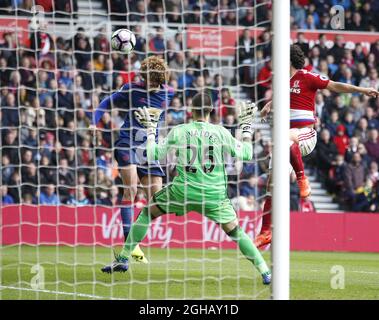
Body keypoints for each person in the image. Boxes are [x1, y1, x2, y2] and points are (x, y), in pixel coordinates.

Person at [101, 93, 272, 285]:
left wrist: (151, 129)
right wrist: (246, 127)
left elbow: (152, 154)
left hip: (183, 192)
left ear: (191, 110)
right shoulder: (221, 132)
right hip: (213, 194)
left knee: (147, 213)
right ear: (210, 111)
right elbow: (248, 154)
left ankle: (124, 259)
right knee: (236, 232)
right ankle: (265, 272)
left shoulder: (179, 131)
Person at [255, 44, 379, 249]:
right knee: (272, 185)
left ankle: (303, 179)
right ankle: (265, 232)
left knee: (284, 138)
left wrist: (361, 90)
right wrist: (269, 104)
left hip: (307, 135)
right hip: (289, 141)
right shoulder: (282, 82)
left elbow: (335, 85)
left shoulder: (307, 77)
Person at [90, 56, 174, 263]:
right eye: (143, 78)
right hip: (127, 142)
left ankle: (131, 238)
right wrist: (94, 123)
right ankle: (130, 243)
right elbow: (105, 102)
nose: (145, 82)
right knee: (132, 189)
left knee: (158, 199)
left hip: (149, 148)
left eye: (149, 79)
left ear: (158, 79)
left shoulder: (169, 93)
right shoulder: (131, 89)